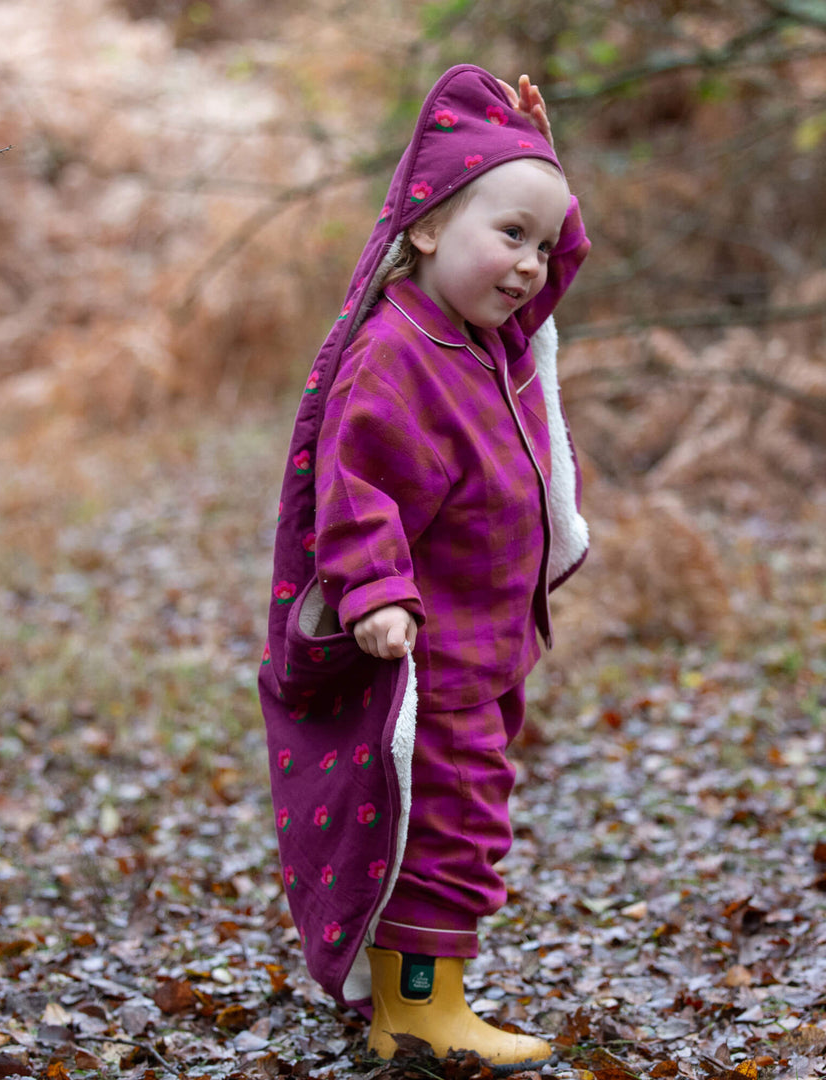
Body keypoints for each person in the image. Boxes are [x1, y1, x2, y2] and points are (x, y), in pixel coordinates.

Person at [259, 64, 590, 1073]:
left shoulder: (484, 334)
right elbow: (356, 484)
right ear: (431, 224)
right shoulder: (398, 350)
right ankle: (416, 1009)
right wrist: (375, 593)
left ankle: (435, 990)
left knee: (474, 819)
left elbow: (558, 242)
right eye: (510, 236)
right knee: (440, 828)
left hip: (490, 650)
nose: (533, 266)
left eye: (542, 244)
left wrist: (537, 159)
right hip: (430, 652)